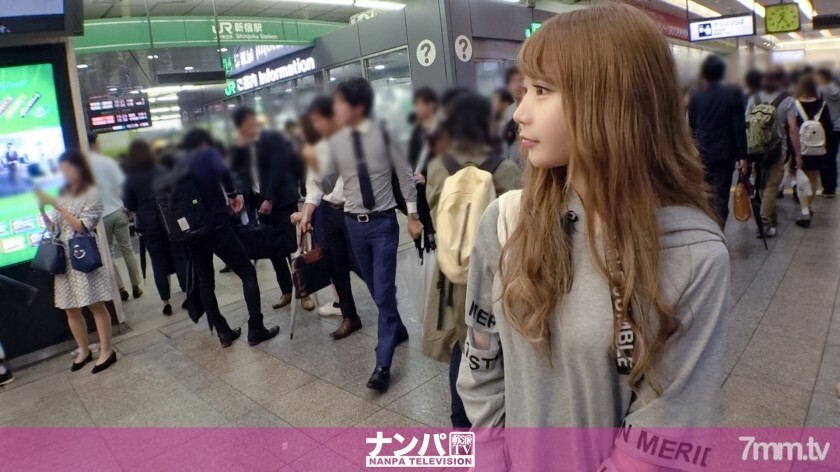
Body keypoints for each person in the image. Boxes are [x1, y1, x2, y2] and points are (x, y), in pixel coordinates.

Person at [456, 5, 730, 470]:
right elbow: (482, 353)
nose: (520, 112)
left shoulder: (691, 253)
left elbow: (666, 427)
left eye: (542, 90)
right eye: (525, 90)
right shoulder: (506, 220)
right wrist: (492, 453)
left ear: (611, 100)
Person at [316, 77, 422, 392]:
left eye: (339, 102)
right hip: (353, 224)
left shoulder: (386, 134)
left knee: (384, 290)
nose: (335, 108)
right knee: (377, 288)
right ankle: (397, 329)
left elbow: (405, 178)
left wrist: (413, 217)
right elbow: (326, 182)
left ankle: (382, 363)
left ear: (358, 106)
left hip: (382, 224)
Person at [422, 91, 521, 428]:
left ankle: (461, 425)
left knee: (460, 348)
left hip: (451, 278)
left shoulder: (438, 167)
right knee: (494, 348)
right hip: (496, 279)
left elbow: (437, 221)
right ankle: (498, 420)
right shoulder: (506, 170)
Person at [180, 129, 279, 348]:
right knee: (247, 272)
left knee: (205, 281)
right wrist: (233, 196)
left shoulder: (176, 164)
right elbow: (225, 174)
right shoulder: (207, 155)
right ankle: (256, 329)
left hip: (191, 233)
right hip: (216, 225)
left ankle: (223, 332)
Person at [36, 150, 119, 374]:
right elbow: (54, 228)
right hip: (63, 260)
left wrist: (59, 207)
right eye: (61, 169)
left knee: (95, 305)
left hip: (84, 255)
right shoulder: (63, 193)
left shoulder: (92, 193)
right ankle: (83, 349)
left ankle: (107, 350)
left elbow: (82, 227)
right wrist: (43, 210)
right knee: (70, 308)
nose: (63, 173)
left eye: (67, 168)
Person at [230, 107, 315, 312]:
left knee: (293, 248)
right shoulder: (243, 145)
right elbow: (239, 171)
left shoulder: (271, 138)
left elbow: (278, 169)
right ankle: (286, 291)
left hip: (281, 200)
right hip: (261, 203)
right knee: (273, 249)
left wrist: (269, 198)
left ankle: (304, 292)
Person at [295, 97, 363, 331]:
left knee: (364, 266)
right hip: (329, 213)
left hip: (354, 211)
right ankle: (349, 315)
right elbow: (313, 187)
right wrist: (307, 211)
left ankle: (390, 319)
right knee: (336, 266)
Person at [123, 139, 188, 316]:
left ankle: (166, 302)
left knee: (158, 263)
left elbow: (130, 204)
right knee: (179, 257)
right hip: (169, 221)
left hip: (148, 225)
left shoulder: (131, 178)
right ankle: (187, 295)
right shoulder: (161, 170)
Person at [688, 55, 748, 227]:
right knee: (721, 196)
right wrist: (743, 156)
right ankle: (719, 230)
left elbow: (691, 124)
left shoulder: (696, 94)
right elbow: (738, 127)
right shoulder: (733, 93)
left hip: (702, 152)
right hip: (724, 154)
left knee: (705, 194)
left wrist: (693, 148)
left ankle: (707, 226)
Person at [746, 66, 801, 238]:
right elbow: (793, 129)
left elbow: (746, 125)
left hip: (755, 149)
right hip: (777, 150)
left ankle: (771, 219)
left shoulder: (754, 97)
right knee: (772, 186)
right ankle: (764, 222)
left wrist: (745, 153)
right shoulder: (788, 100)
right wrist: (798, 154)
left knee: (761, 185)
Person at [87, 132, 143, 301]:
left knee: (108, 254)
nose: (99, 145)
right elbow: (122, 186)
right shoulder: (107, 162)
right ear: (93, 144)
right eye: (98, 142)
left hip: (100, 219)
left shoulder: (83, 165)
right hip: (118, 212)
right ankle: (136, 286)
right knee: (127, 250)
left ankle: (120, 289)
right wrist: (129, 209)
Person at [793, 73, 835, 228]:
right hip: (817, 149)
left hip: (800, 149)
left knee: (801, 179)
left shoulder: (794, 104)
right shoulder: (822, 105)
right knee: (813, 179)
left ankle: (804, 211)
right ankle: (808, 206)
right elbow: (828, 129)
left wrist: (793, 152)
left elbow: (791, 129)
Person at [407, 87, 439, 254]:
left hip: (436, 190)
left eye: (419, 104)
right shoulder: (417, 132)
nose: (417, 108)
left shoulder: (443, 131)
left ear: (430, 105)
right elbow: (410, 158)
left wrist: (429, 180)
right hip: (419, 192)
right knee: (424, 241)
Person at [817, 68, 840, 197]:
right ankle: (833, 186)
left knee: (825, 157)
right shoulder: (838, 89)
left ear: (823, 77)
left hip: (825, 127)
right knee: (833, 157)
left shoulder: (819, 90)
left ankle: (827, 188)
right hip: (838, 127)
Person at [501, 66, 526, 167]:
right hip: (512, 166)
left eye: (521, 80)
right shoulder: (508, 111)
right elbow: (506, 140)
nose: (518, 85)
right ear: (508, 87)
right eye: (514, 81)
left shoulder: (532, 108)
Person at [492, 88, 514, 152]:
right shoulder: (493, 123)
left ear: (505, 103)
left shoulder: (513, 125)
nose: (492, 104)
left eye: (495, 100)